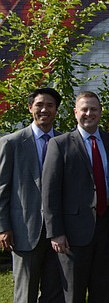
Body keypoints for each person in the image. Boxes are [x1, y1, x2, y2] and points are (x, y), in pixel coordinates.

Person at [42, 91, 109, 303]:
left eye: (93, 109)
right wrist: (55, 232)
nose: (89, 113)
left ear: (100, 112)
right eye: (84, 109)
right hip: (73, 233)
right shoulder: (59, 144)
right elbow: (50, 192)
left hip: (108, 228)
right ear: (75, 113)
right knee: (74, 292)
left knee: (105, 290)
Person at [0, 87, 64, 303]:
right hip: (24, 231)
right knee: (25, 294)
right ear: (30, 108)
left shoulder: (65, 142)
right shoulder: (12, 143)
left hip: (58, 233)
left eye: (50, 105)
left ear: (56, 110)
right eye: (39, 105)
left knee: (55, 293)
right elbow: (2, 188)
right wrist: (3, 227)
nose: (44, 109)